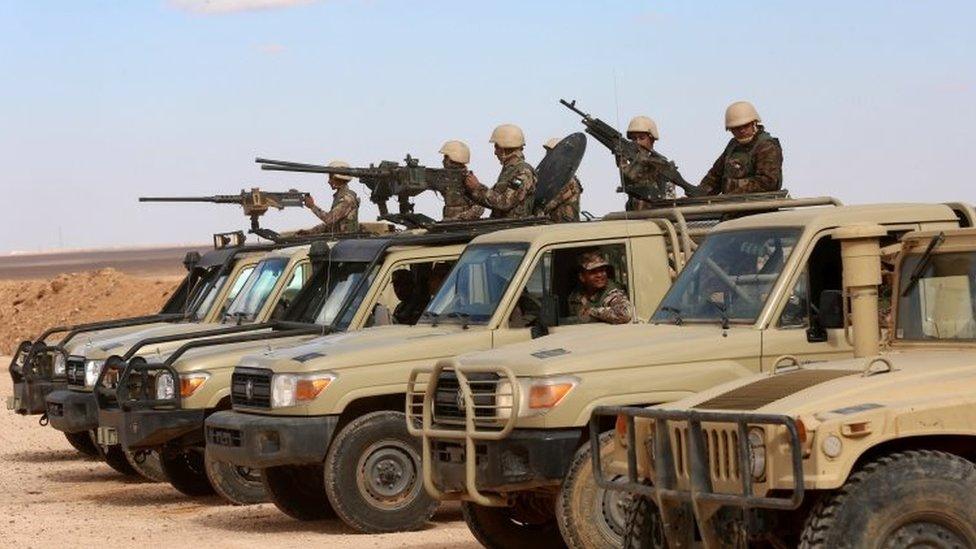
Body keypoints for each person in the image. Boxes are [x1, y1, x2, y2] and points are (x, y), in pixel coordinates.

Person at [698, 101, 783, 195]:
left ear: (754, 123)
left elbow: (768, 182)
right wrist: (698, 193)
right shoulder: (733, 145)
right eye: (736, 128)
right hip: (733, 204)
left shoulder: (766, 146)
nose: (742, 130)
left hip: (759, 206)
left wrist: (732, 191)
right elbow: (714, 177)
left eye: (745, 126)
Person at [464, 124, 537, 219]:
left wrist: (477, 188)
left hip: (513, 228)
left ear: (504, 147)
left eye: (496, 147)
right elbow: (492, 198)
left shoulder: (523, 172)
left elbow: (505, 202)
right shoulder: (509, 171)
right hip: (503, 226)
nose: (495, 152)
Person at [617, 115, 675, 210]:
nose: (637, 142)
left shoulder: (661, 164)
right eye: (634, 139)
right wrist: (621, 159)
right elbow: (626, 181)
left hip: (657, 218)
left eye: (642, 138)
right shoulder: (632, 164)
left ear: (652, 140)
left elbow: (668, 200)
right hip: (635, 218)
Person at [567, 251, 634, 324]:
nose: (600, 275)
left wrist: (592, 311)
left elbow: (624, 314)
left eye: (602, 270)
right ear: (582, 277)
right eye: (593, 272)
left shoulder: (612, 292)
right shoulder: (576, 295)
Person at [300, 160, 360, 234]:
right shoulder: (340, 196)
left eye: (331, 178)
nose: (329, 181)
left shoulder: (347, 199)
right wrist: (310, 232)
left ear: (339, 179)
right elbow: (331, 225)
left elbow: (330, 220)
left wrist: (312, 206)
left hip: (345, 242)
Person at [536, 137, 582, 222]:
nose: (547, 156)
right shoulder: (554, 177)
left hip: (566, 228)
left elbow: (550, 204)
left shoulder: (568, 180)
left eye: (550, 153)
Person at [438, 140, 484, 221]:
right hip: (450, 225)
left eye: (446, 157)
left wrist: (459, 219)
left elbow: (479, 207)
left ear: (453, 158)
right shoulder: (446, 177)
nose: (443, 161)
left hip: (464, 227)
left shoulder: (467, 179)